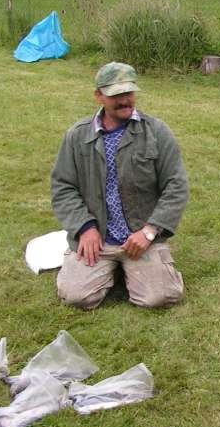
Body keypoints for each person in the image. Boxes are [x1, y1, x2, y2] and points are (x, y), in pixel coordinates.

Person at [51, 62, 188, 310]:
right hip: (98, 239)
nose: (125, 100)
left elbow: (176, 186)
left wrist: (149, 232)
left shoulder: (156, 132)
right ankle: (110, 269)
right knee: (76, 297)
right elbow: (63, 187)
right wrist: (85, 228)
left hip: (140, 237)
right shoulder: (77, 136)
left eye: (129, 93)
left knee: (161, 298)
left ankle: (132, 269)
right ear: (99, 96)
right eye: (116, 95)